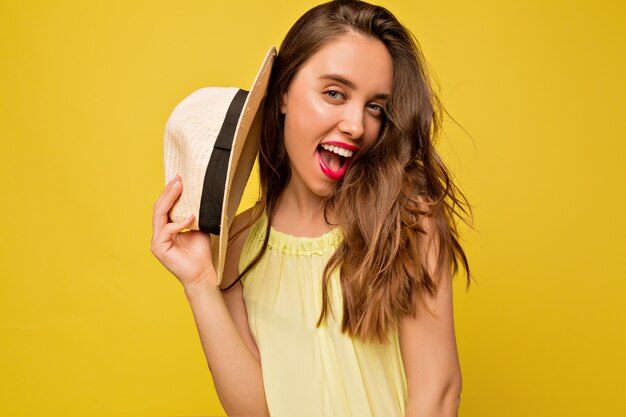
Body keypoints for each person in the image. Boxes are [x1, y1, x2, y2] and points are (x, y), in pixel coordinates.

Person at [152, 1, 471, 416]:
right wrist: (199, 284)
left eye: (375, 106)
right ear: (283, 93)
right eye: (334, 93)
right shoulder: (239, 247)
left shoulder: (405, 221)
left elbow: (438, 392)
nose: (357, 125)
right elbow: (254, 411)